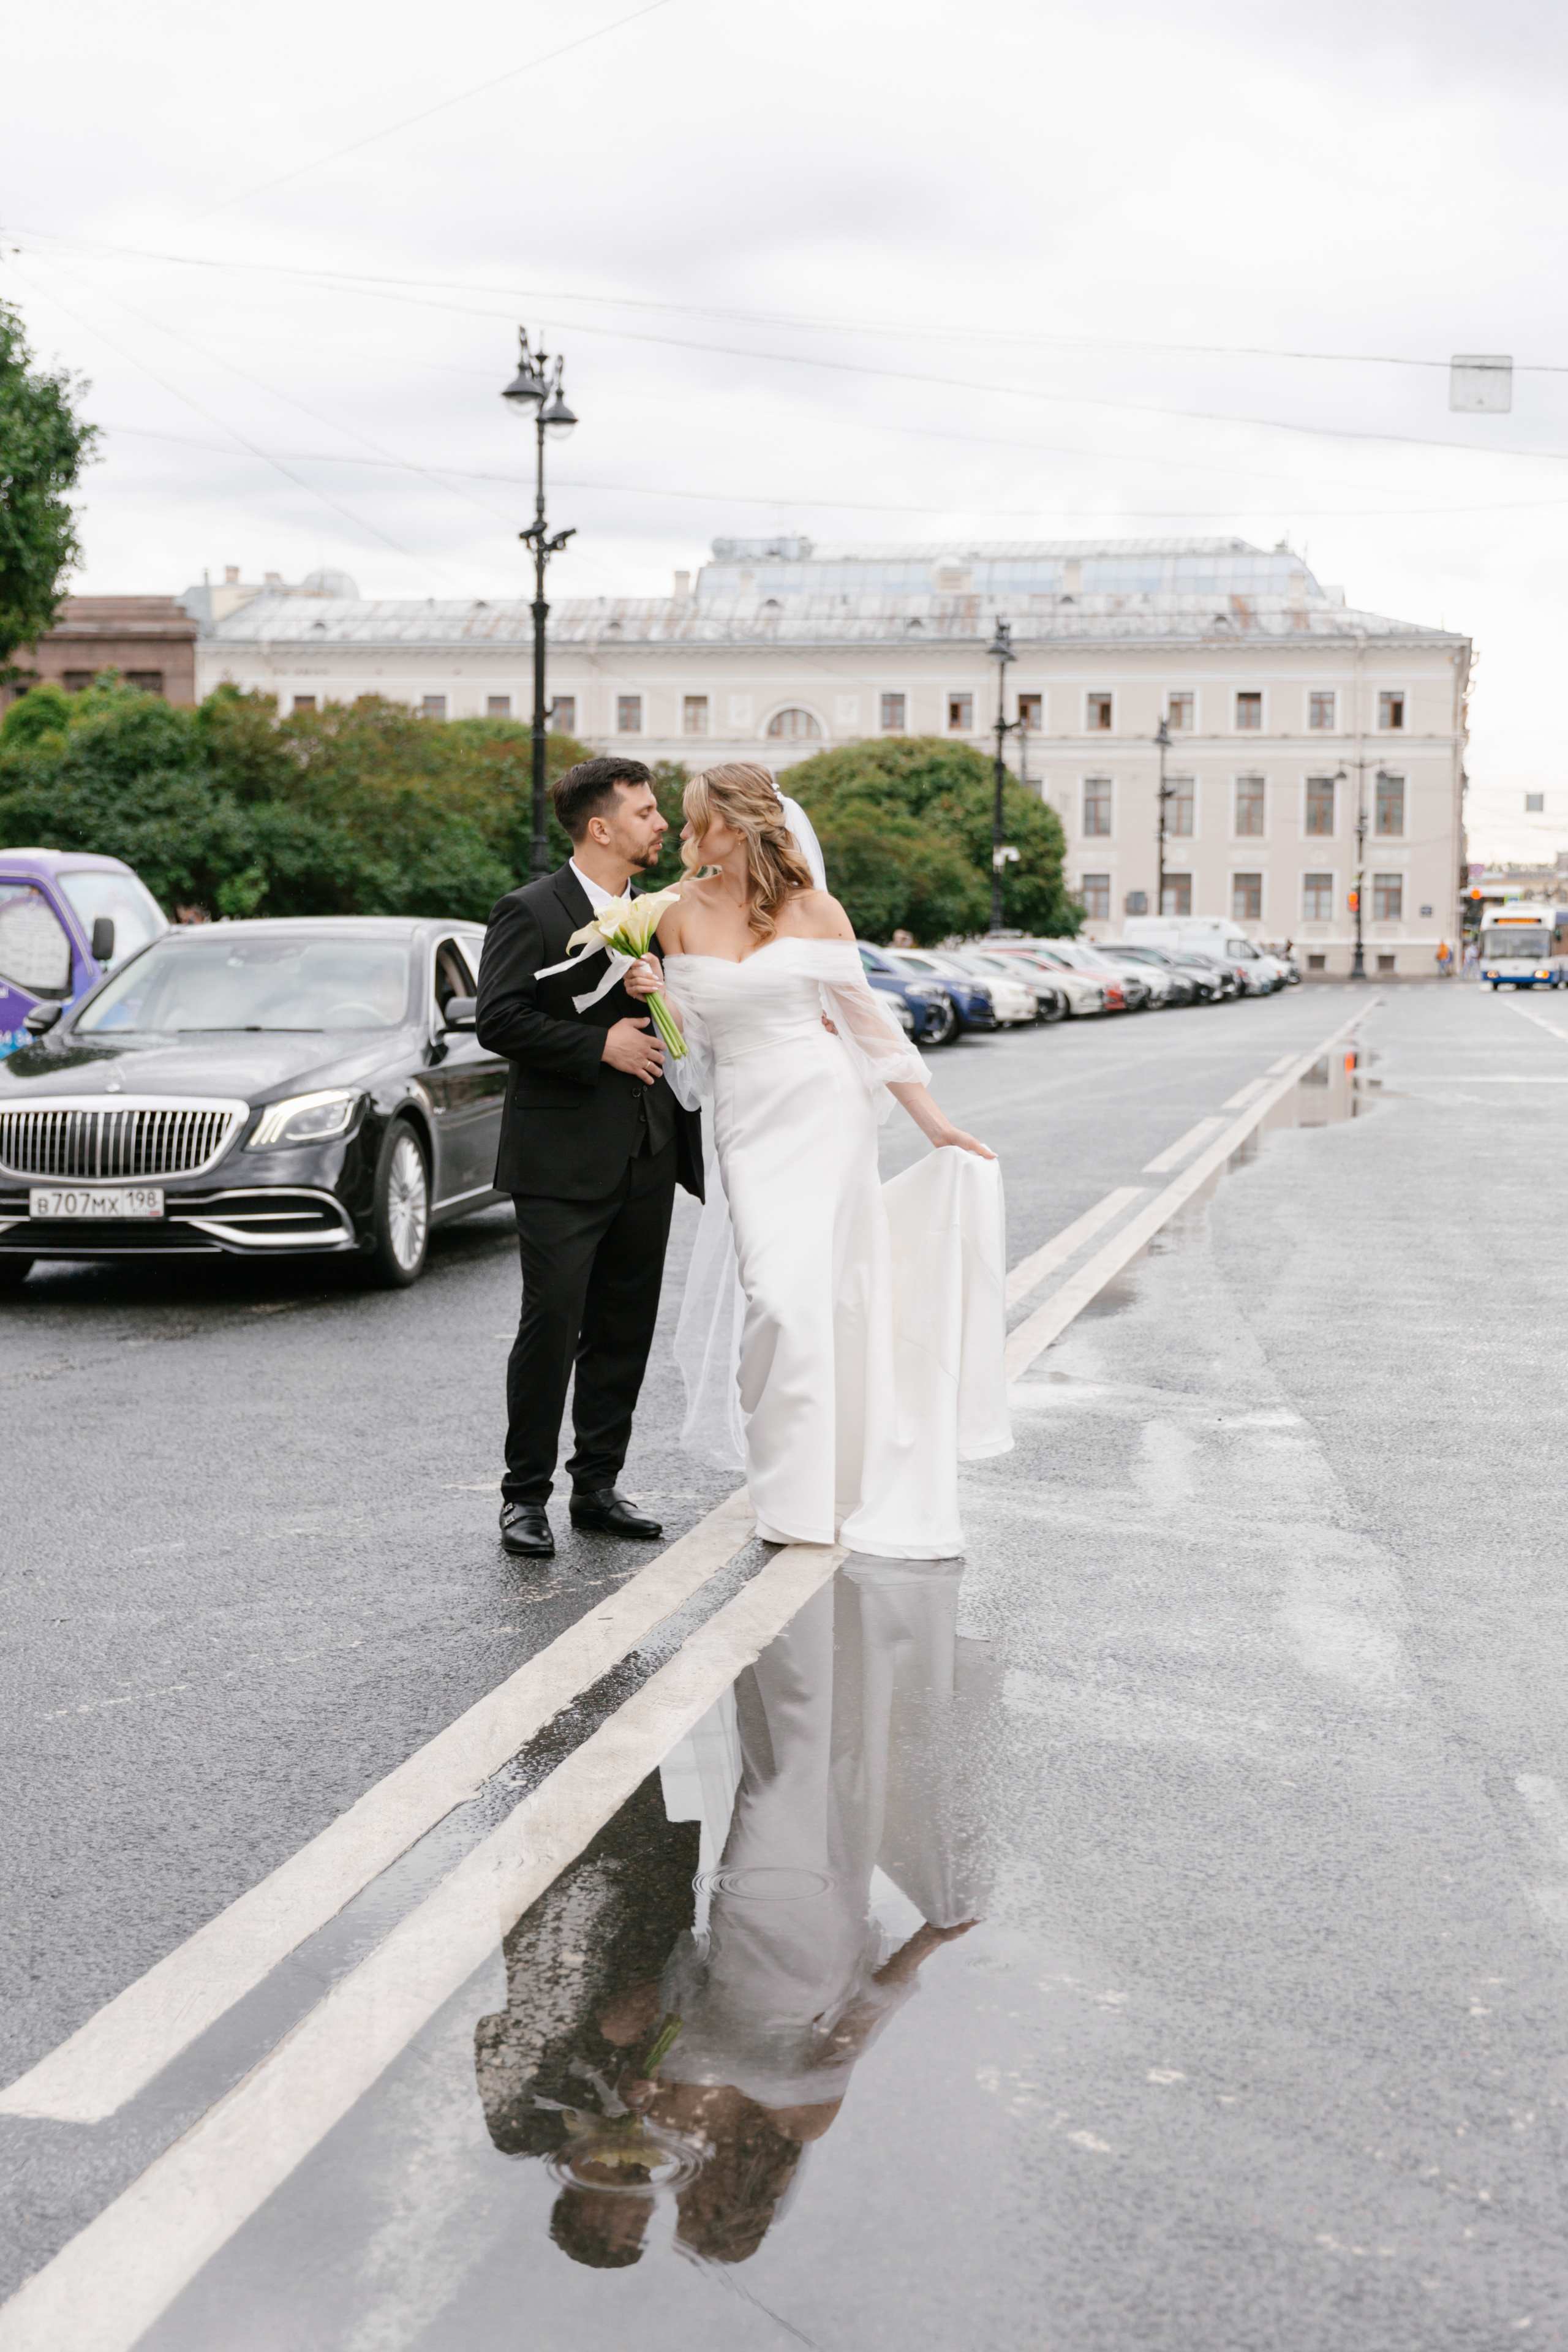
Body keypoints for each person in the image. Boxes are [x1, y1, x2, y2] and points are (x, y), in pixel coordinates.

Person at [628, 761, 1009, 1558]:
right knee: (776, 1297)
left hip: (826, 1109)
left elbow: (868, 1026)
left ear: (737, 827)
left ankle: (811, 1498)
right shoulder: (672, 913)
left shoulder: (816, 912)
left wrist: (937, 1125)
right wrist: (655, 993)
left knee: (824, 1299)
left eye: (697, 820)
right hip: (743, 1115)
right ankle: (789, 1482)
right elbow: (687, 1047)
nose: (683, 833)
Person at [475, 758, 704, 1559]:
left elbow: (680, 1030)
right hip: (560, 1160)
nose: (662, 825)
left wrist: (660, 999)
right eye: (646, 813)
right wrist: (597, 1044)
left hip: (649, 1149)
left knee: (625, 1330)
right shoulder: (530, 910)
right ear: (601, 827)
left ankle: (598, 1486)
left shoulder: (659, 914)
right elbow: (496, 1020)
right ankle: (523, 1498)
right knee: (553, 1324)